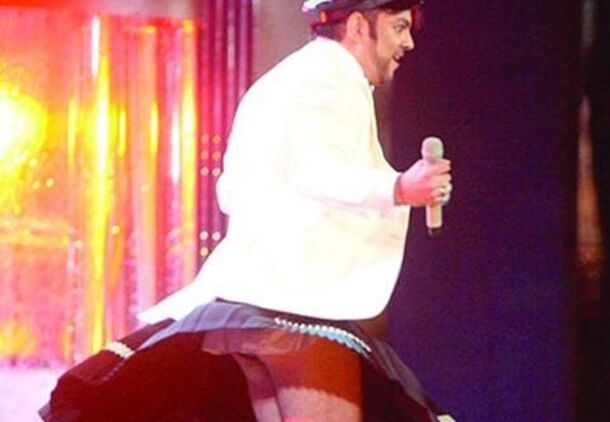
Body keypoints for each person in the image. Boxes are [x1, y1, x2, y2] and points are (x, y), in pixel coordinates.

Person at [40, 0, 452, 420]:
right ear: (359, 26)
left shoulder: (287, 78)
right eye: (399, 27)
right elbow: (314, 169)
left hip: (255, 309)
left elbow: (233, 189)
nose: (408, 42)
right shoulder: (330, 81)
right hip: (297, 307)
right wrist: (399, 188)